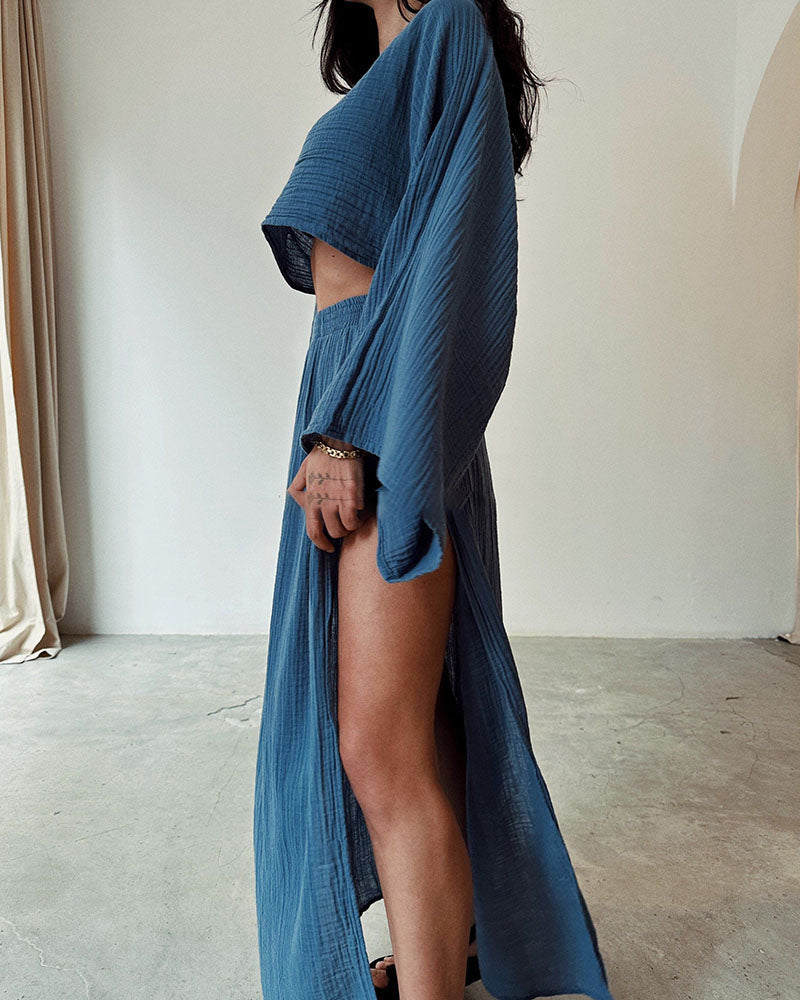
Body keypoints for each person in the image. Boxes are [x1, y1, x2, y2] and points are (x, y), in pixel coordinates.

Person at [253, 1, 616, 999]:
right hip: (351, 405)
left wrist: (350, 431)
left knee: (378, 743)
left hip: (385, 423)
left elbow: (443, 267)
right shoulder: (391, 68)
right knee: (423, 717)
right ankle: (451, 948)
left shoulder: (448, 24)